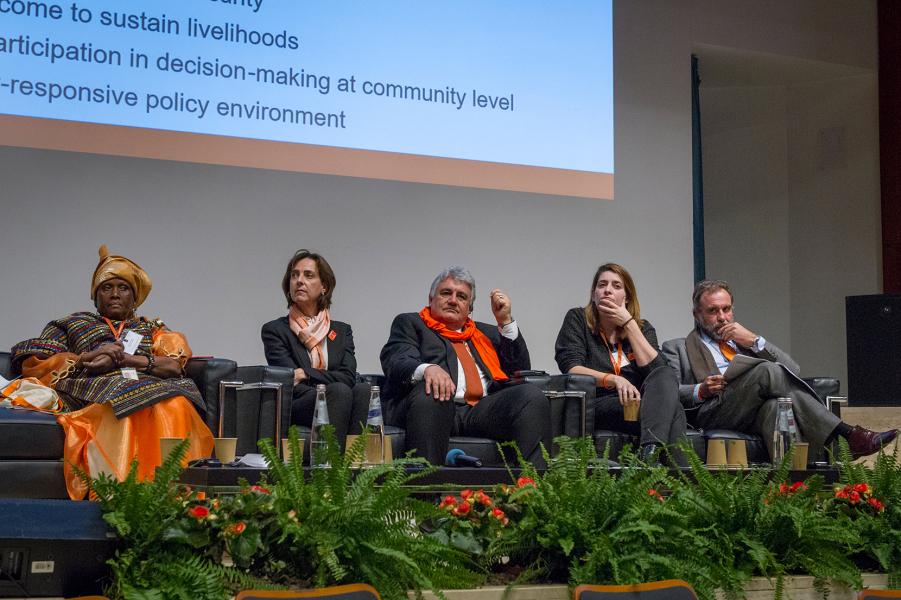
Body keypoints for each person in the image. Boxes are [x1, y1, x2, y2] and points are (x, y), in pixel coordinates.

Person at [10, 245, 214, 500]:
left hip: (151, 387)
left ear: (135, 297)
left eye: (123, 288)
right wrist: (85, 358)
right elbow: (37, 359)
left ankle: (175, 496)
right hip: (93, 392)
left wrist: (126, 360)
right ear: (95, 297)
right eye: (107, 288)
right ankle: (124, 498)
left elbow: (173, 366)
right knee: (123, 404)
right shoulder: (70, 324)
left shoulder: (152, 330)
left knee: (177, 403)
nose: (115, 294)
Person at [661, 279, 898, 461]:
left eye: (726, 309)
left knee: (778, 407)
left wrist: (754, 340)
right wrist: (701, 389)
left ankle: (790, 492)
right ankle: (845, 435)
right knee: (767, 371)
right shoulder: (677, 347)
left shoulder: (744, 341)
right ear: (697, 314)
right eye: (713, 311)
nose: (722, 317)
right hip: (714, 410)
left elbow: (792, 370)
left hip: (755, 410)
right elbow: (669, 393)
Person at [380, 266, 550, 467]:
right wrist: (428, 369)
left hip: (479, 412)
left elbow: (518, 371)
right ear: (430, 299)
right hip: (432, 407)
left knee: (530, 396)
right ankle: (425, 494)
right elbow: (397, 359)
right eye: (446, 293)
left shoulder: (485, 333)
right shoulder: (411, 323)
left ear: (469, 308)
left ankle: (532, 491)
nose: (453, 300)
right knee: (435, 391)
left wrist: (505, 321)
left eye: (461, 296)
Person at [555, 263, 686, 460]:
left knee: (667, 376)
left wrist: (629, 325)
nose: (607, 290)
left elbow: (659, 373)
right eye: (602, 285)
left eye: (616, 286)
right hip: (598, 403)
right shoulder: (578, 319)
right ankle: (679, 481)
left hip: (638, 404)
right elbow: (572, 368)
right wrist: (613, 379)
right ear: (593, 294)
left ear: (627, 298)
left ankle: (650, 453)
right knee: (674, 411)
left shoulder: (642, 328)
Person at [261, 249, 369, 449]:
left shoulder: (342, 331)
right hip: (300, 402)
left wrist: (306, 373)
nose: (299, 281)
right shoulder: (274, 330)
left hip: (336, 394)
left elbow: (347, 376)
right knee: (339, 391)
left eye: (308, 275)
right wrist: (325, 380)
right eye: (294, 275)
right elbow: (290, 379)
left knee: (363, 390)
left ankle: (357, 467)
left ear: (324, 287)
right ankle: (328, 468)